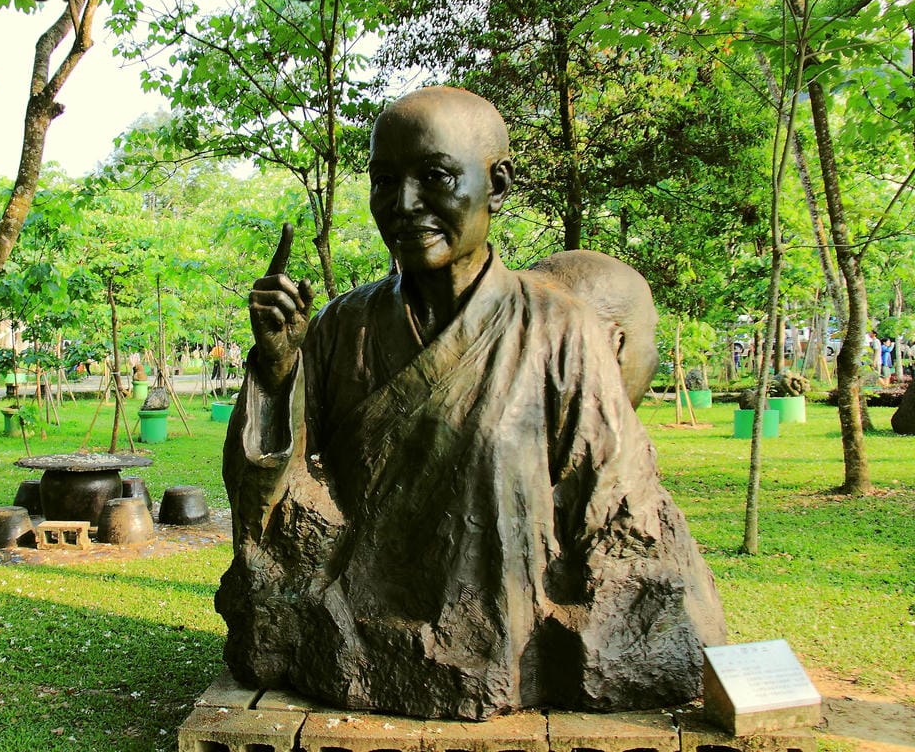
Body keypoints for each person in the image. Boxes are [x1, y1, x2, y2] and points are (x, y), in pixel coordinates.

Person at [216, 87, 725, 719]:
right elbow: (263, 501)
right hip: (352, 632)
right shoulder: (342, 328)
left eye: (434, 177)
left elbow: (614, 504)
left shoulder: (560, 330)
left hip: (509, 643)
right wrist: (276, 368)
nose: (403, 205)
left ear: (498, 183)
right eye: (384, 181)